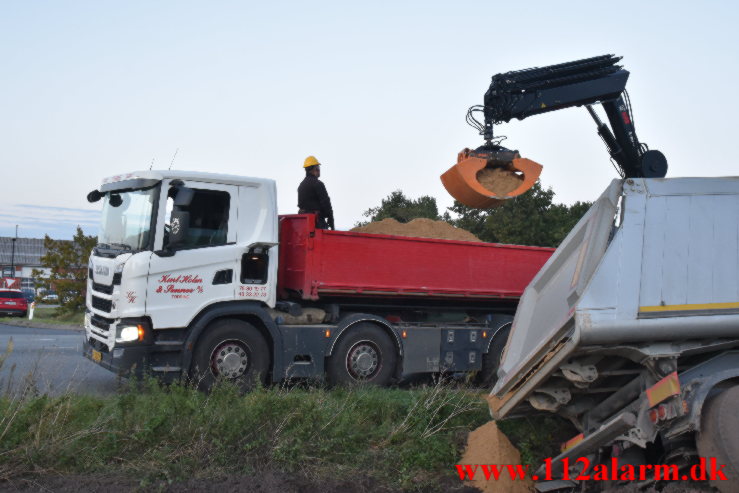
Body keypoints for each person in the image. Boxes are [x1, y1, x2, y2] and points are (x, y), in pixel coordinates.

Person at [298, 156, 335, 230]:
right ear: (315, 168)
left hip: (304, 223)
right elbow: (326, 204)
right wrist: (331, 221)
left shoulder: (301, 186)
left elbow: (301, 205)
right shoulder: (318, 184)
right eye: (318, 167)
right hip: (318, 223)